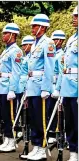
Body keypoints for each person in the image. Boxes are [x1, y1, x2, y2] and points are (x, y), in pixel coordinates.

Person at [26, 14, 55, 160]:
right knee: (33, 118)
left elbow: (49, 68)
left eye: (35, 26)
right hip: (32, 86)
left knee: (41, 119)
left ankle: (42, 149)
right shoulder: (34, 43)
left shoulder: (48, 43)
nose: (32, 28)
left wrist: (46, 88)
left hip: (40, 86)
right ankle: (36, 146)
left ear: (43, 27)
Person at [0, 23, 22, 152]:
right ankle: (6, 139)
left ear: (13, 35)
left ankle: (11, 140)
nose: (3, 35)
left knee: (10, 116)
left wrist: (12, 89)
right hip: (2, 87)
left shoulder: (16, 51)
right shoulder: (6, 50)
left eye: (5, 33)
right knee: (3, 116)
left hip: (8, 87)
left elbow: (16, 72)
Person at [57, 6, 78, 161]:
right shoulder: (72, 39)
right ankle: (73, 152)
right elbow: (63, 66)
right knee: (69, 121)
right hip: (67, 87)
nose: (74, 18)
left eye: (77, 16)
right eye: (74, 16)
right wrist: (59, 87)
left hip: (77, 86)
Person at [48, 30, 66, 144]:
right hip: (51, 85)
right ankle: (52, 132)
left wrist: (58, 88)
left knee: (56, 113)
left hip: (56, 85)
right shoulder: (54, 53)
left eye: (55, 40)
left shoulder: (61, 55)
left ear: (60, 41)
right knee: (50, 111)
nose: (53, 42)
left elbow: (60, 73)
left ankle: (55, 133)